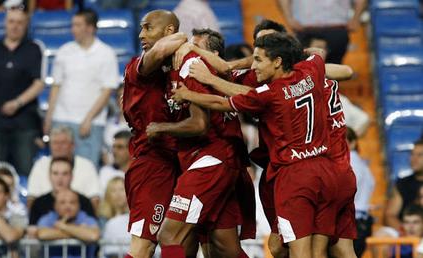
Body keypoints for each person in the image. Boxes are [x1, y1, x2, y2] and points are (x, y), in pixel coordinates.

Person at [172, 33, 339, 257]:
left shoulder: (271, 95)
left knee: (300, 253)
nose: (254, 65)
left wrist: (194, 90)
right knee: (320, 252)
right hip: (326, 168)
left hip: (295, 175)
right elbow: (316, 54)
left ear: (278, 61)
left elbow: (220, 102)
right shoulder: (312, 69)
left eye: (259, 60)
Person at [147, 27, 252, 258]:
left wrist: (160, 128)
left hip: (212, 160)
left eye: (197, 48)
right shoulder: (211, 76)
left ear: (214, 56)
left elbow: (199, 125)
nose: (187, 52)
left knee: (169, 235)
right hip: (220, 160)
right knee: (224, 248)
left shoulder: (197, 70)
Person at [122, 10, 187, 258]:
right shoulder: (137, 67)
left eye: (148, 28)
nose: (141, 35)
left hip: (178, 162)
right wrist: (184, 42)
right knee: (144, 246)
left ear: (167, 30)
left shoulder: (175, 71)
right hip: (152, 164)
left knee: (184, 241)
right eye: (141, 28)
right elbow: (159, 51)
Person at [44, 8, 119, 167]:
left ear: (90, 28)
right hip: (61, 119)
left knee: (87, 168)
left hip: (90, 124)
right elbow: (56, 86)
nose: (73, 29)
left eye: (77, 25)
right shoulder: (64, 51)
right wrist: (49, 118)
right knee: (58, 168)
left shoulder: (106, 53)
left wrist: (88, 119)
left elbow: (107, 91)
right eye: (73, 25)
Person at [0, 7, 44, 176]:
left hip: (25, 122)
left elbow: (39, 83)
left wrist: (17, 102)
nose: (15, 26)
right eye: (11, 21)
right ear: (5, 23)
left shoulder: (34, 49)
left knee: (26, 170)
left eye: (20, 22)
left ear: (26, 24)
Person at [27, 126, 100, 210]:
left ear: (72, 145)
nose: (58, 147)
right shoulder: (40, 165)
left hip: (79, 217)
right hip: (45, 215)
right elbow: (31, 198)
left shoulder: (86, 166)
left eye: (63, 143)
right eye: (55, 143)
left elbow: (95, 199)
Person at [278, 0, 367, 63]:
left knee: (334, 72)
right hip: (305, 28)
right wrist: (289, 18)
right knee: (304, 72)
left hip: (336, 29)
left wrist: (356, 19)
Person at [29, 157, 95, 226]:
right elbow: (33, 231)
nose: (60, 178)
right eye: (55, 173)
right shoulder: (38, 203)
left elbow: (94, 231)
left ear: (71, 176)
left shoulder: (84, 202)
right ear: (49, 176)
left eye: (65, 174)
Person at [37, 189, 100, 258]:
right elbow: (42, 234)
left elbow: (93, 236)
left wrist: (63, 227)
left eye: (72, 202)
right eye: (62, 202)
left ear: (79, 205)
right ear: (55, 206)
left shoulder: (86, 218)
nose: (67, 206)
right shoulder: (47, 218)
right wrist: (79, 233)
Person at [347, 126, 375, 257]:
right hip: (360, 221)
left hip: (353, 222)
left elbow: (348, 191)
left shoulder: (351, 163)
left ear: (352, 143)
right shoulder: (361, 164)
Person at [385, 139, 423, 231]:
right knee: (381, 235)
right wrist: (406, 232)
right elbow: (390, 215)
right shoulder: (402, 183)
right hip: (406, 233)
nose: (413, 159)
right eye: (412, 154)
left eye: (419, 155)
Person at [99, 177, 131, 257]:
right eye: (113, 190)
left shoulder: (135, 217)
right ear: (108, 195)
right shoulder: (102, 219)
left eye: (121, 189)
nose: (118, 194)